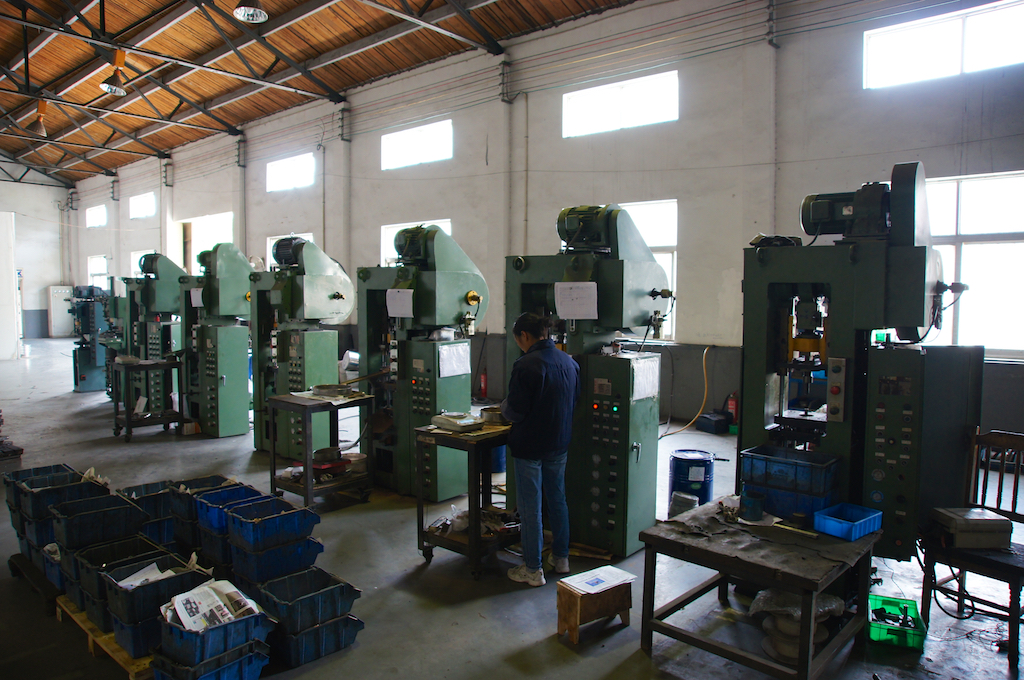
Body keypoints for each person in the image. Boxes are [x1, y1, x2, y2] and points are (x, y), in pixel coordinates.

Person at [501, 312, 580, 586]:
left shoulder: (526, 365)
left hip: (530, 447)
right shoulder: (569, 362)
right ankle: (561, 558)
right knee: (557, 500)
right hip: (559, 443)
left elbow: (515, 410)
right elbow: (574, 401)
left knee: (530, 507)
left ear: (524, 336)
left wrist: (503, 408)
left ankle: (533, 569)